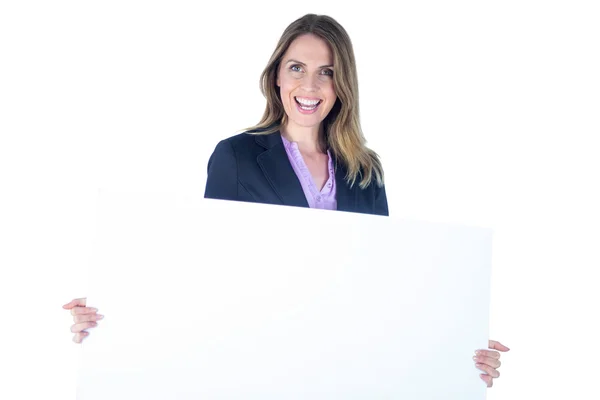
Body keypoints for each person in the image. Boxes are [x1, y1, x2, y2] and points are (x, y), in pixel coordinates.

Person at [62, 13, 510, 388]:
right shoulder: (236, 157)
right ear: (277, 75)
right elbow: (204, 266)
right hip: (261, 366)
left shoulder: (366, 170)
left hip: (346, 371)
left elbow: (387, 286)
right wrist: (118, 306)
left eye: (326, 71)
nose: (309, 85)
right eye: (296, 68)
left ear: (342, 84)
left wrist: (458, 348)